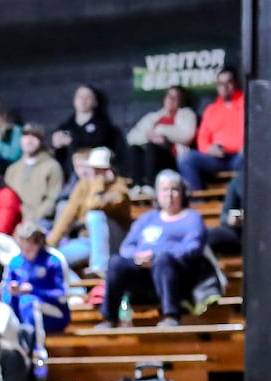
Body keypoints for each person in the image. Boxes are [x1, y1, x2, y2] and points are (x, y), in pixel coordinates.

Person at [101, 170, 207, 328]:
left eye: (174, 190)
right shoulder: (147, 218)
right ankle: (109, 318)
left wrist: (156, 254)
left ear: (182, 193)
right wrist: (138, 256)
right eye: (164, 190)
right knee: (116, 262)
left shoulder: (192, 218)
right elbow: (126, 247)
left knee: (162, 260)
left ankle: (171, 316)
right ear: (158, 194)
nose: (169, 195)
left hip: (176, 273)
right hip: (142, 273)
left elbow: (193, 247)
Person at [48, 147, 131, 274]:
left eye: (100, 170)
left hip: (114, 241)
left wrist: (99, 183)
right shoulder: (83, 185)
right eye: (93, 169)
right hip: (88, 241)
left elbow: (94, 204)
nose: (93, 173)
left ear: (110, 170)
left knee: (95, 216)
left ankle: (100, 269)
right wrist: (51, 243)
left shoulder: (119, 187)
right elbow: (69, 214)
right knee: (54, 261)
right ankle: (78, 292)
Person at [1, 222, 69, 361]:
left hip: (55, 313)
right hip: (21, 313)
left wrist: (34, 290)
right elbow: (5, 292)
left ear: (39, 244)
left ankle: (37, 352)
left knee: (29, 302)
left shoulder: (53, 260)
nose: (27, 252)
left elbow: (62, 295)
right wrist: (12, 291)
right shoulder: (14, 262)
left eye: (31, 248)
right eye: (24, 248)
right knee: (7, 304)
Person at [178, 68, 244, 191]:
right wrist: (209, 149)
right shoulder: (211, 110)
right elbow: (202, 138)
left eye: (228, 82)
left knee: (248, 157)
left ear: (235, 83)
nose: (224, 87)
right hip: (218, 157)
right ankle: (198, 204)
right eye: (220, 84)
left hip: (240, 157)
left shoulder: (247, 102)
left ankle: (242, 204)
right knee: (186, 159)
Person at [126, 86, 198, 187]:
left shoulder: (186, 115)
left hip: (173, 159)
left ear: (181, 100)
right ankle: (137, 187)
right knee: (135, 149)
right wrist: (149, 136)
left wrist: (161, 131)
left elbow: (187, 136)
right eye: (169, 96)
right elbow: (131, 138)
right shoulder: (152, 117)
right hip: (150, 157)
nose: (171, 99)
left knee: (152, 148)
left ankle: (151, 186)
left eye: (175, 97)